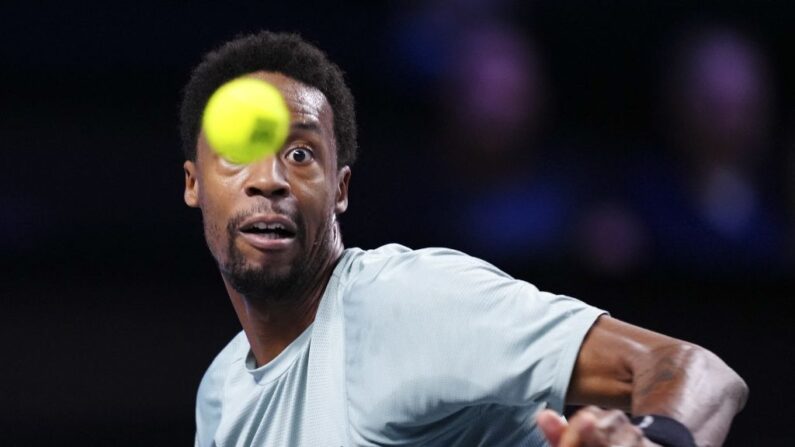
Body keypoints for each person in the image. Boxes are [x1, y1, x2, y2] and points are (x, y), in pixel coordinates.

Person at [180, 31, 747, 447]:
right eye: (238, 153)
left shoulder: (402, 303)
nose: (269, 179)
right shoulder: (222, 392)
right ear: (193, 183)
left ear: (341, 189)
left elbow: (699, 373)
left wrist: (652, 443)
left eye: (301, 154)